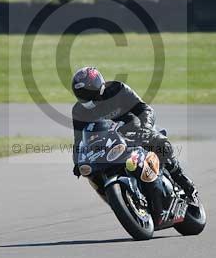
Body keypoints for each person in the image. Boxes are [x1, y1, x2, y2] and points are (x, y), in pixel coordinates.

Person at [70, 66, 196, 198]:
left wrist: (145, 129)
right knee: (91, 173)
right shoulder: (78, 111)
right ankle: (115, 200)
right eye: (83, 97)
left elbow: (145, 109)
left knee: (160, 144)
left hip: (133, 130)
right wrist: (77, 162)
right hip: (106, 143)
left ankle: (182, 180)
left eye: (89, 95)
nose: (88, 100)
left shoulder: (117, 89)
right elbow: (79, 140)